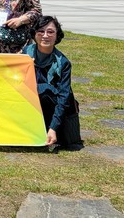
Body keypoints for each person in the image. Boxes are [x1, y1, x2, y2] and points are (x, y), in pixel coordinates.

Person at [23, 16, 82, 149]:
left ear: (57, 36)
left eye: (50, 32)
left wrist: (53, 128)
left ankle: (50, 130)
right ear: (34, 34)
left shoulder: (63, 63)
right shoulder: (26, 54)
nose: (45, 36)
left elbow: (63, 97)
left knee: (45, 91)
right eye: (41, 31)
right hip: (31, 103)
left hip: (52, 106)